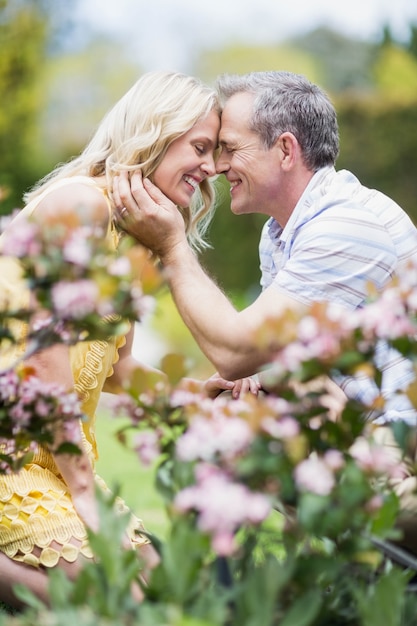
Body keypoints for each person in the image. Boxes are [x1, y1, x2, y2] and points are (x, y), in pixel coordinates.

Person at [113, 70, 417, 556]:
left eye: (230, 148)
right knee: (233, 420)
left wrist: (171, 246)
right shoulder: (282, 233)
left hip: (401, 447)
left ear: (286, 150)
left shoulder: (349, 224)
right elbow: (274, 357)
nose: (215, 166)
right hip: (366, 431)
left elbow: (237, 349)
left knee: (238, 441)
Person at [0, 70, 258, 609]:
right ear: (155, 134)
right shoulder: (81, 206)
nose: (211, 167)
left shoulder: (134, 236)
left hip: (53, 453)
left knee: (163, 595)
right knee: (120, 607)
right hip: (13, 454)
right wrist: (86, 494)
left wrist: (189, 394)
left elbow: (116, 368)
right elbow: (46, 365)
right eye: (201, 148)